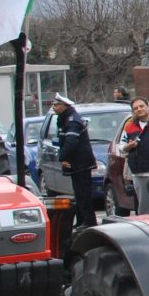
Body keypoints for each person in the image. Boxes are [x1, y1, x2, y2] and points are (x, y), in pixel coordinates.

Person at [51, 93, 97, 227]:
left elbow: (71, 142)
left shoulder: (72, 121)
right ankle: (82, 220)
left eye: (56, 105)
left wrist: (63, 157)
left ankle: (88, 221)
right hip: (76, 163)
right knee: (78, 193)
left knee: (83, 194)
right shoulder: (65, 118)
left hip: (80, 163)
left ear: (64, 106)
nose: (54, 107)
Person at [117, 96, 149, 214]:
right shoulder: (129, 126)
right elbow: (121, 147)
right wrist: (128, 147)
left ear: (148, 106)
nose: (139, 109)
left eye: (141, 106)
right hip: (138, 172)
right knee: (144, 209)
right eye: (135, 108)